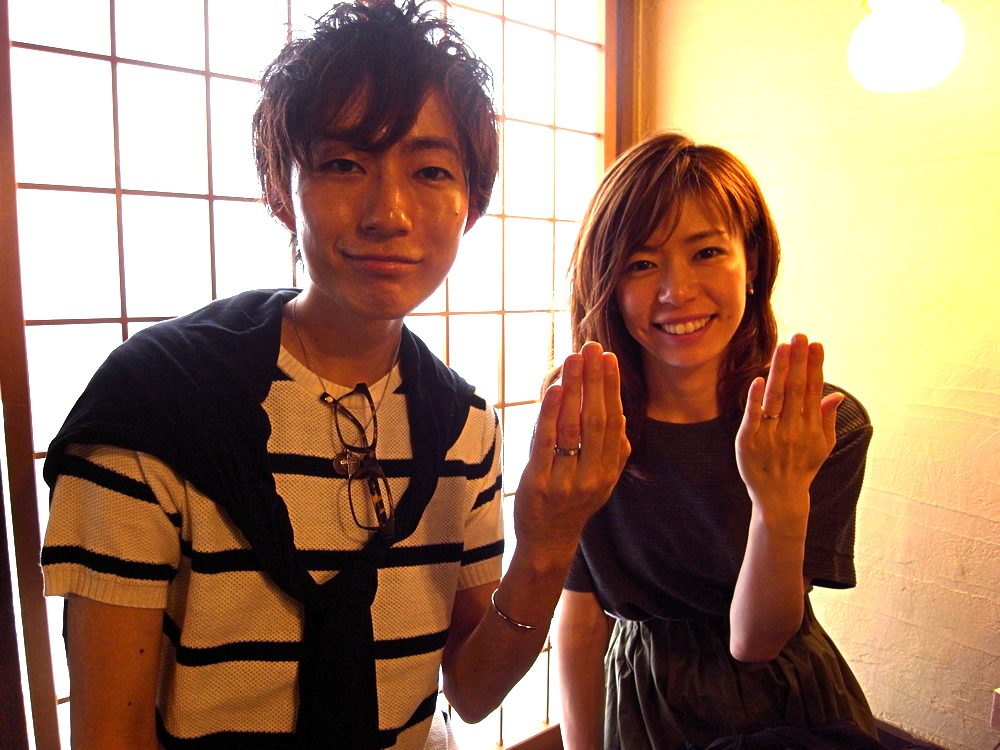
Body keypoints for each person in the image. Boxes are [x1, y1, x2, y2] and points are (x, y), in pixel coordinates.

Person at [39, 2, 629, 749]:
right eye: (345, 164)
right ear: (279, 188)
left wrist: (548, 543)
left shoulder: (461, 427)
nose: (389, 212)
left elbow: (473, 692)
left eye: (430, 170)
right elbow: (109, 734)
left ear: (471, 205)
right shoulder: (152, 408)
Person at [554, 131, 880, 750]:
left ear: (750, 263)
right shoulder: (588, 418)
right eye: (641, 264)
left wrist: (778, 500)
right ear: (607, 281)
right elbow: (581, 610)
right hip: (641, 696)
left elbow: (756, 641)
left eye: (706, 252)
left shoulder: (820, 424)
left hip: (787, 705)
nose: (677, 292)